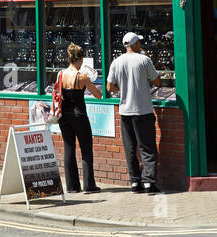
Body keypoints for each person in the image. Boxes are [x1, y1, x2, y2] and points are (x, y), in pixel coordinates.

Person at [107, 31, 161, 194]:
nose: (141, 45)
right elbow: (157, 80)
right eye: (139, 42)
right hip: (143, 110)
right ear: (135, 44)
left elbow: (109, 87)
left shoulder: (116, 62)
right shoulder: (144, 60)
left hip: (125, 111)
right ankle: (149, 183)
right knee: (147, 147)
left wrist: (122, 88)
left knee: (130, 148)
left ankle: (134, 183)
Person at [57, 43, 102, 194]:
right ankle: (89, 186)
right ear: (80, 59)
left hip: (64, 116)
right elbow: (98, 94)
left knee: (68, 148)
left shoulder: (60, 74)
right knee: (86, 149)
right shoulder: (81, 77)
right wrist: (89, 80)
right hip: (79, 115)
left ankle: (72, 186)